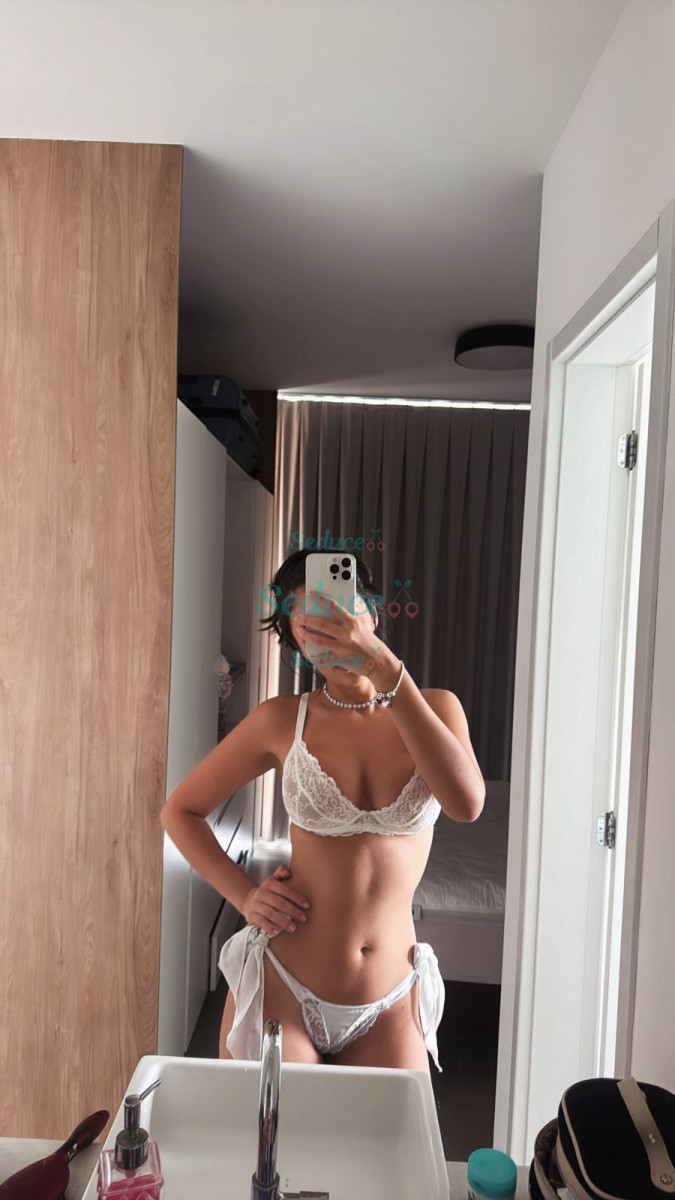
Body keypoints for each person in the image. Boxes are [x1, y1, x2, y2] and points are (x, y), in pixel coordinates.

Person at [161, 550, 485, 1072]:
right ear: (298, 647)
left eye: (340, 612)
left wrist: (386, 671)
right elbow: (180, 811)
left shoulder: (438, 707)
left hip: (391, 1000)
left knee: (392, 1129)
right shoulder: (281, 720)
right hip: (284, 986)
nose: (330, 633)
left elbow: (466, 805)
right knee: (268, 1130)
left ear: (371, 613)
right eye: (309, 626)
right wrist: (245, 895)